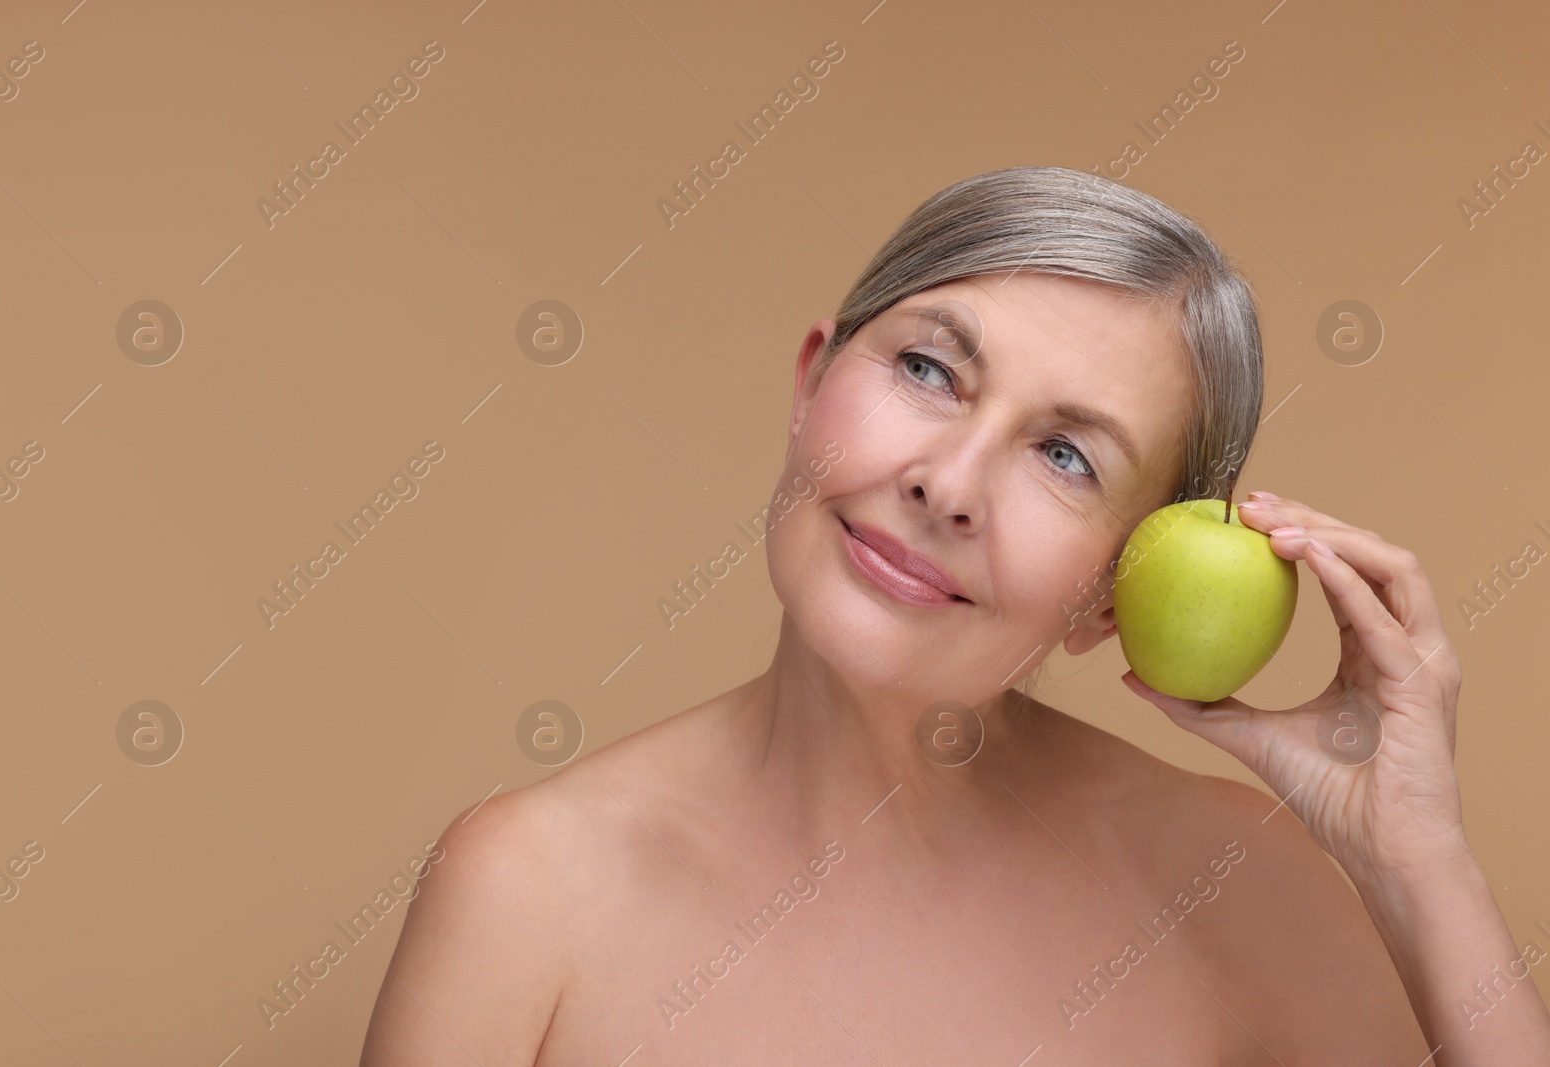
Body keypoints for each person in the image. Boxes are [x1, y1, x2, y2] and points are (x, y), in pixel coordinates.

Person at [360, 166, 1550, 1065]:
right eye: (928, 370)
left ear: (1111, 592)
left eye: (1066, 455)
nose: (947, 481)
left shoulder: (1237, 881)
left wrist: (1414, 864)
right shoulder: (525, 886)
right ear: (811, 383)